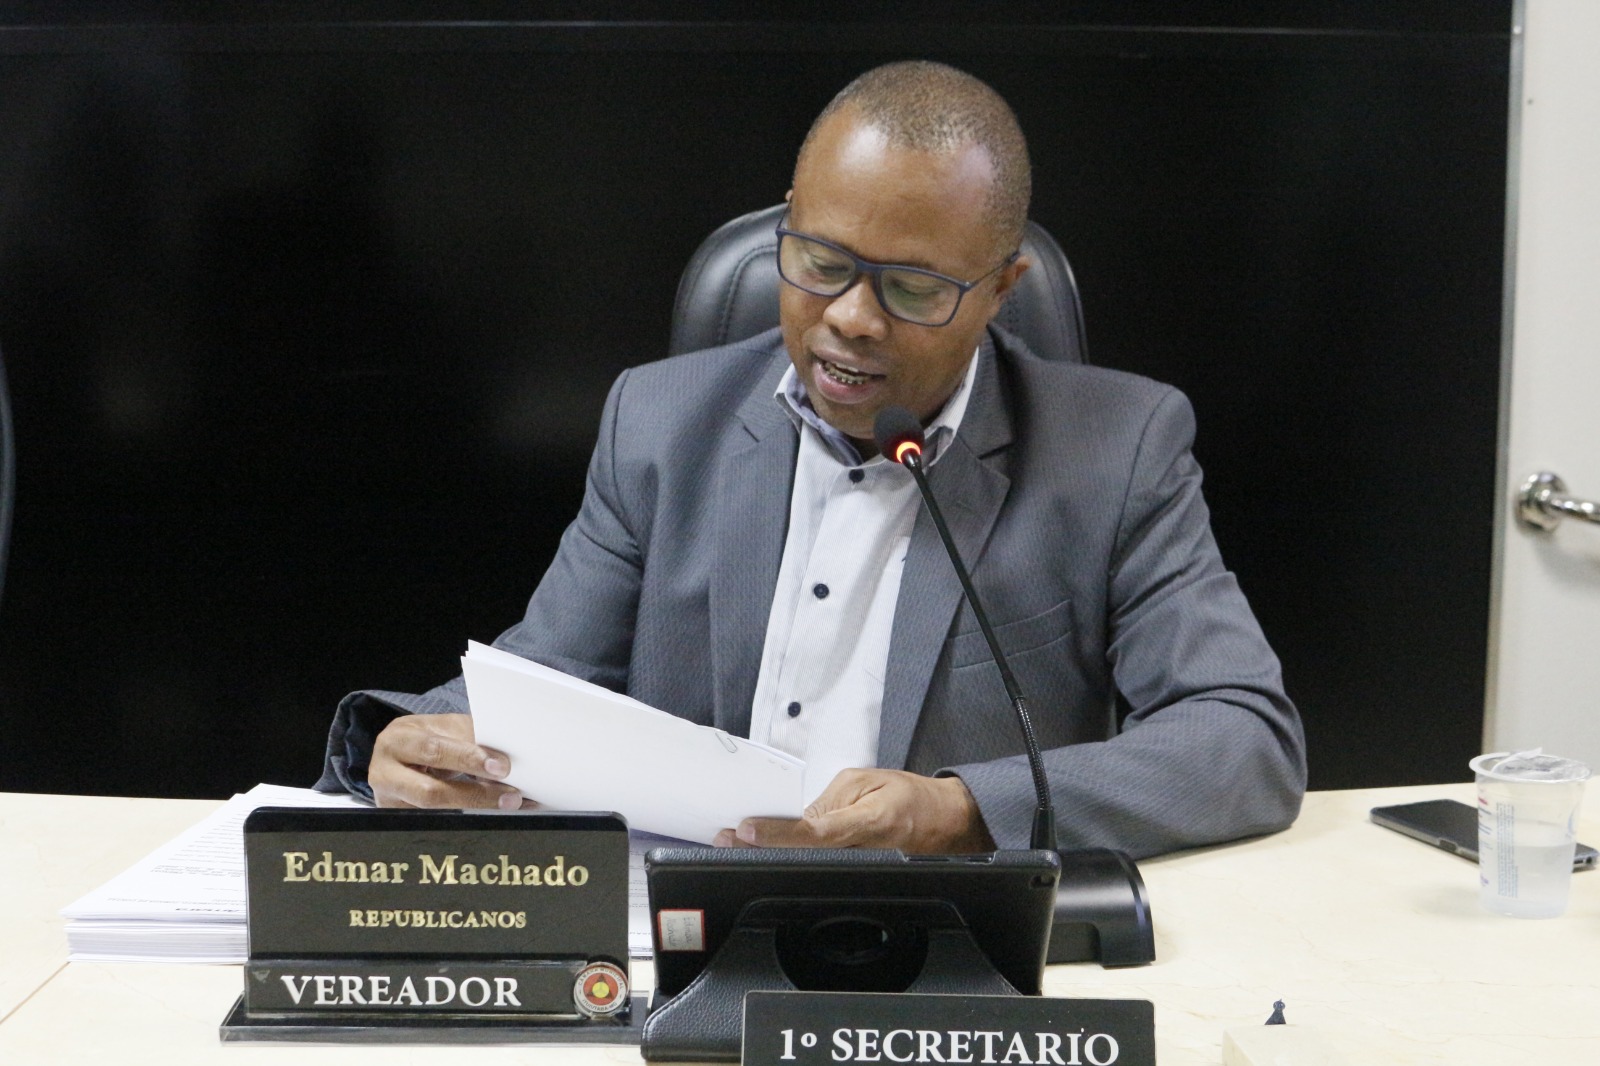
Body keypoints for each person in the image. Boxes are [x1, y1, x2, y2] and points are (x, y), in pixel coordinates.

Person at [317, 61, 1306, 859]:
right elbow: (541, 684)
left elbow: (1244, 738)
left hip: (949, 941)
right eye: (822, 263)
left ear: (1002, 289)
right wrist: (400, 744)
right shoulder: (660, 426)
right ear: (788, 221)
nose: (851, 318)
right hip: (689, 932)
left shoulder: (1116, 450)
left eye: (912, 289)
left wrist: (959, 810)